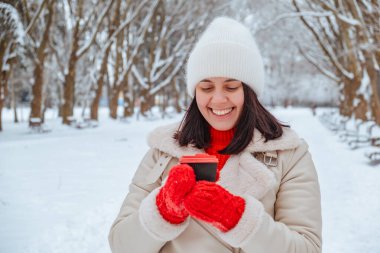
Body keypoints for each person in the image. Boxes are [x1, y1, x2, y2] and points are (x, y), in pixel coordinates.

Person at [108, 16, 322, 253]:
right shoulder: (163, 152)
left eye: (231, 87)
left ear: (249, 92)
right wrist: (162, 211)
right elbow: (121, 245)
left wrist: (238, 218)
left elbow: (306, 248)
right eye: (206, 87)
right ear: (194, 92)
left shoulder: (289, 155)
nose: (219, 99)